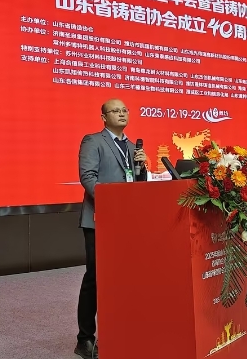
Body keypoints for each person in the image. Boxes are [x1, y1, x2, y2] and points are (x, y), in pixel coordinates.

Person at [74, 98, 147, 359]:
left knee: (122, 278)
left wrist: (143, 168)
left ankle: (118, 331)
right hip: (99, 220)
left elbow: (136, 185)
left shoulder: (132, 147)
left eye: (125, 110)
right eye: (115, 111)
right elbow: (88, 178)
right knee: (95, 278)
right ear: (104, 117)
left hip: (126, 223)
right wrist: (111, 205)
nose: (122, 114)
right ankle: (85, 339)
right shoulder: (93, 141)